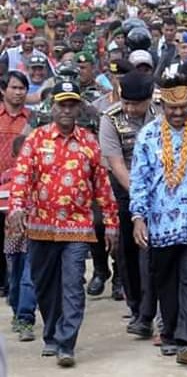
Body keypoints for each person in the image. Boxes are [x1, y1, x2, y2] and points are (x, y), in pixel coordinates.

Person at [8, 80, 118, 367]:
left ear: (79, 108)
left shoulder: (89, 143)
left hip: (77, 227)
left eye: (72, 104)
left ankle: (66, 342)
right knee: (44, 285)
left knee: (71, 284)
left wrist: (111, 223)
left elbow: (103, 187)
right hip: (41, 226)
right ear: (53, 107)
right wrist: (17, 207)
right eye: (62, 104)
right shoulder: (36, 139)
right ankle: (51, 334)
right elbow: (21, 176)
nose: (67, 110)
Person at [130, 75, 187, 364]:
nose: (178, 113)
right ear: (163, 105)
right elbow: (139, 181)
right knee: (165, 280)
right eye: (173, 108)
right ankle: (169, 332)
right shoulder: (147, 135)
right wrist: (138, 218)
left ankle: (186, 341)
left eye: (183, 106)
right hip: (160, 225)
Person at [98, 70, 158, 337]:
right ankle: (137, 310)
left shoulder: (162, 111)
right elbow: (117, 164)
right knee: (128, 252)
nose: (130, 109)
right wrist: (139, 198)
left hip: (161, 188)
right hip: (125, 190)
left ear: (148, 100)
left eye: (136, 104)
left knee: (153, 253)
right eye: (126, 103)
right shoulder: (110, 118)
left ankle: (152, 313)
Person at [4, 135, 36, 343]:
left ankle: (25, 318)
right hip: (13, 236)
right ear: (15, 156)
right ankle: (17, 311)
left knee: (28, 277)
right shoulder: (8, 177)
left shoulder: (41, 175)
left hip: (34, 234)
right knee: (14, 278)